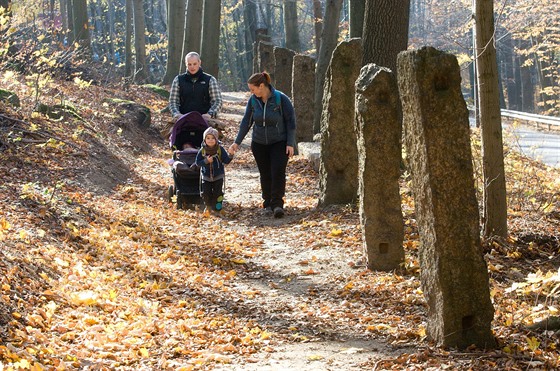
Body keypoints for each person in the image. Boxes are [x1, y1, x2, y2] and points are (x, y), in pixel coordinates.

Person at [229, 72, 296, 218]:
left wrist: (290, 143)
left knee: (277, 171)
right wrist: (237, 142)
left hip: (279, 142)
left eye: (253, 89)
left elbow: (291, 122)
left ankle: (277, 204)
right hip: (259, 143)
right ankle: (267, 203)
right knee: (265, 173)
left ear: (261, 86)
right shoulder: (253, 101)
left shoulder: (281, 99)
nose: (251, 92)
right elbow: (246, 122)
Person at [168, 52, 223, 122]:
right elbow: (173, 101)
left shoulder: (210, 80)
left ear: (199, 63)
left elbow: (218, 101)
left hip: (206, 119)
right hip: (183, 119)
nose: (192, 67)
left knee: (213, 132)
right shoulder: (178, 80)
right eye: (189, 64)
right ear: (186, 64)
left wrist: (210, 114)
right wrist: (177, 114)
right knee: (168, 132)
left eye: (194, 64)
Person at [196, 127, 233, 214]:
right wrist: (206, 161)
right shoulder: (202, 150)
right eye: (208, 138)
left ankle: (217, 208)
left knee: (218, 193)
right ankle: (208, 206)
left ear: (216, 139)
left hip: (218, 175)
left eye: (213, 138)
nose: (210, 140)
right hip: (206, 176)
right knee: (205, 193)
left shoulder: (220, 149)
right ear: (204, 139)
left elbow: (226, 160)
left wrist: (231, 155)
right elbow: (197, 162)